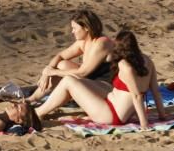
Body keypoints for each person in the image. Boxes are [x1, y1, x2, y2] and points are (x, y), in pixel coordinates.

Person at [36, 31, 167, 127]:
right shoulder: (148, 61)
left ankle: (38, 112)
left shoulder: (125, 66)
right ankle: (41, 106)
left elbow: (137, 96)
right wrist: (162, 116)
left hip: (112, 114)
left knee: (68, 81)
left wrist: (144, 124)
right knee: (76, 81)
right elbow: (156, 91)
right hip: (112, 104)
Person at [26, 9, 115, 102]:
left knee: (61, 73)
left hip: (105, 86)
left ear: (86, 28)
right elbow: (60, 55)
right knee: (61, 64)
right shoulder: (83, 41)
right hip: (91, 80)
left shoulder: (101, 43)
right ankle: (32, 99)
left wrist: (52, 72)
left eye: (75, 28)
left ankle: (37, 104)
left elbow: (82, 73)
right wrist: (48, 70)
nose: (72, 31)